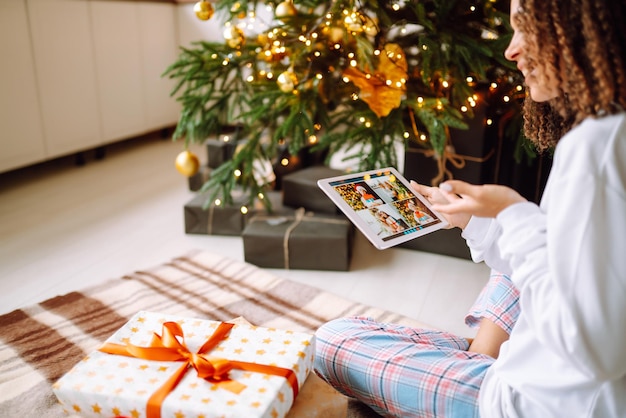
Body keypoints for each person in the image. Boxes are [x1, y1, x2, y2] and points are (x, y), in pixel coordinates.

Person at [313, 0, 626, 416]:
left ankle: (474, 369)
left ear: (578, 29)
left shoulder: (598, 147)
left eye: (525, 27)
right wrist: (477, 219)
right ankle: (480, 357)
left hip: (537, 403)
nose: (512, 50)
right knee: (514, 264)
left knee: (334, 342)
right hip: (562, 374)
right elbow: (570, 265)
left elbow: (594, 350)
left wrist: (514, 213)